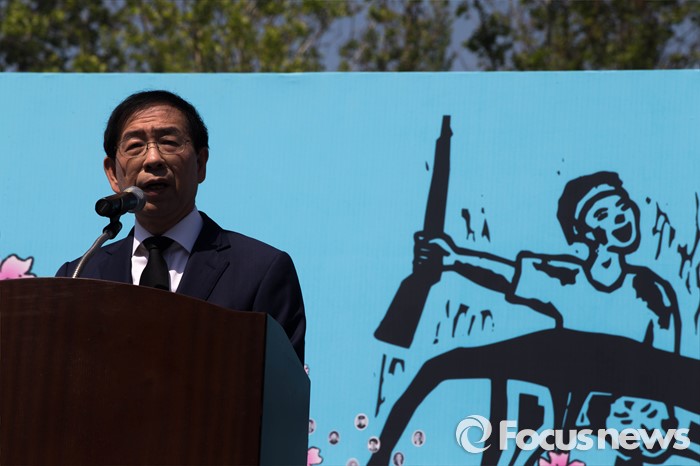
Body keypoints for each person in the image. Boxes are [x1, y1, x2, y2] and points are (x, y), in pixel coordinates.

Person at [56, 90, 306, 362]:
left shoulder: (260, 271)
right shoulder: (79, 277)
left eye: (169, 142)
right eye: (135, 145)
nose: (153, 159)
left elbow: (278, 383)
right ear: (112, 174)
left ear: (200, 164)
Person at [416, 171, 680, 353]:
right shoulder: (570, 280)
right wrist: (455, 258)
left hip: (643, 417)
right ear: (584, 232)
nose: (621, 217)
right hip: (578, 416)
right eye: (603, 214)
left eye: (622, 206)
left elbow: (670, 371)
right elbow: (509, 276)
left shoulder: (652, 290)